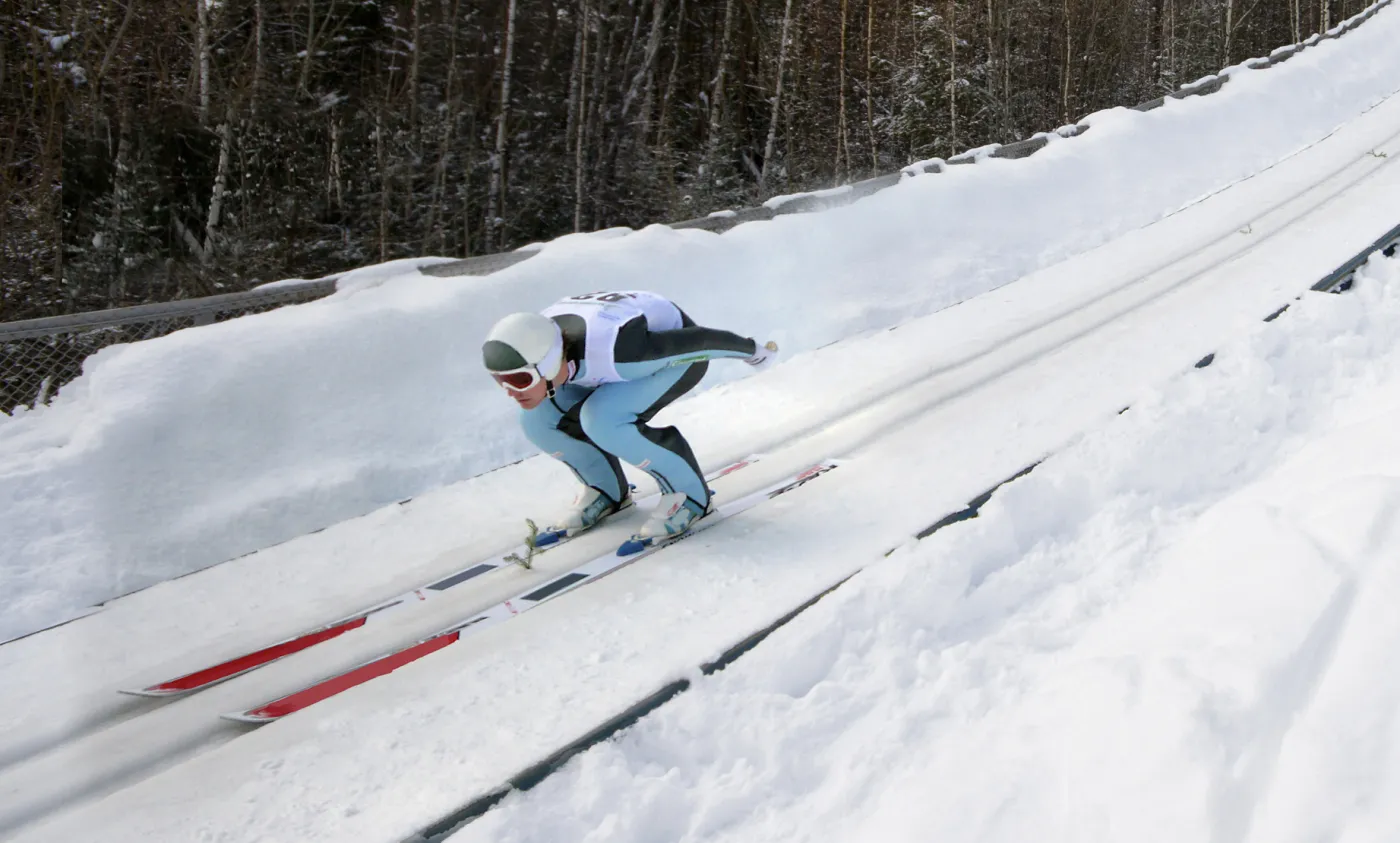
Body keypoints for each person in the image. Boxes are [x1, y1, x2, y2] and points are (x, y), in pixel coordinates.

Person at [482, 290, 777, 545]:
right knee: (537, 422)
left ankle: (689, 495)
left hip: (665, 356)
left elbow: (701, 340)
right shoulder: (543, 344)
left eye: (519, 379)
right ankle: (605, 488)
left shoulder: (621, 351)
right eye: (499, 380)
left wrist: (754, 351)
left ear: (547, 365)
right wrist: (524, 379)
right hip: (591, 350)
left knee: (603, 420)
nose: (509, 391)